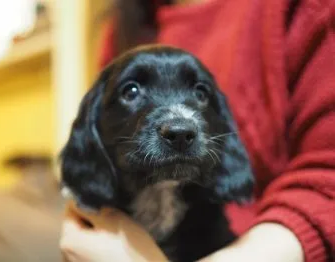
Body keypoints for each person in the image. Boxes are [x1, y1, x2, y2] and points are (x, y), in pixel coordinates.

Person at [60, 0, 335, 261]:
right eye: (132, 91)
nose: (179, 124)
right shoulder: (127, 22)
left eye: (200, 93)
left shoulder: (306, 10)